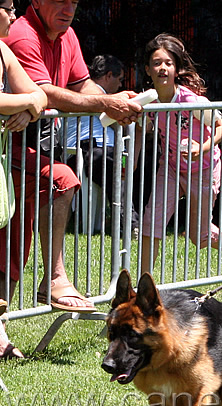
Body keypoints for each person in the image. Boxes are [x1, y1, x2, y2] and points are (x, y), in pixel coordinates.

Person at [2, 0, 142, 311]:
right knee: (61, 181)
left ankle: (4, 329)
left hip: (24, 151)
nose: (69, 9)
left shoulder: (64, 36)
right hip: (10, 152)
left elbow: (68, 88)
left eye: (75, 2)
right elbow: (44, 92)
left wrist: (112, 100)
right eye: (60, 1)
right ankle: (53, 278)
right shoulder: (22, 36)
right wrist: (107, 105)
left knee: (14, 244)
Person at [138, 33, 222, 275]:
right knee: (151, 224)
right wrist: (130, 161)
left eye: (168, 63)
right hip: (170, 167)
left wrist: (199, 148)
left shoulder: (190, 100)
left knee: (198, 235)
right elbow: (142, 130)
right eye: (157, 63)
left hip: (203, 168)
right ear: (148, 70)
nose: (162, 68)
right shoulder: (148, 102)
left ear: (176, 70)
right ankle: (144, 286)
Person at [0, 1, 43, 357]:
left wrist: (27, 109)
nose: (15, 17)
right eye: (8, 9)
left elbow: (41, 94)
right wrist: (25, 101)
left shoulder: (1, 49)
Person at [65, 54, 140, 236]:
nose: (120, 85)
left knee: (134, 167)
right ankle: (130, 223)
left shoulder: (107, 99)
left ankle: (139, 221)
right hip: (86, 151)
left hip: (110, 152)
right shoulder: (88, 93)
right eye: (120, 79)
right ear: (108, 76)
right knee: (114, 166)